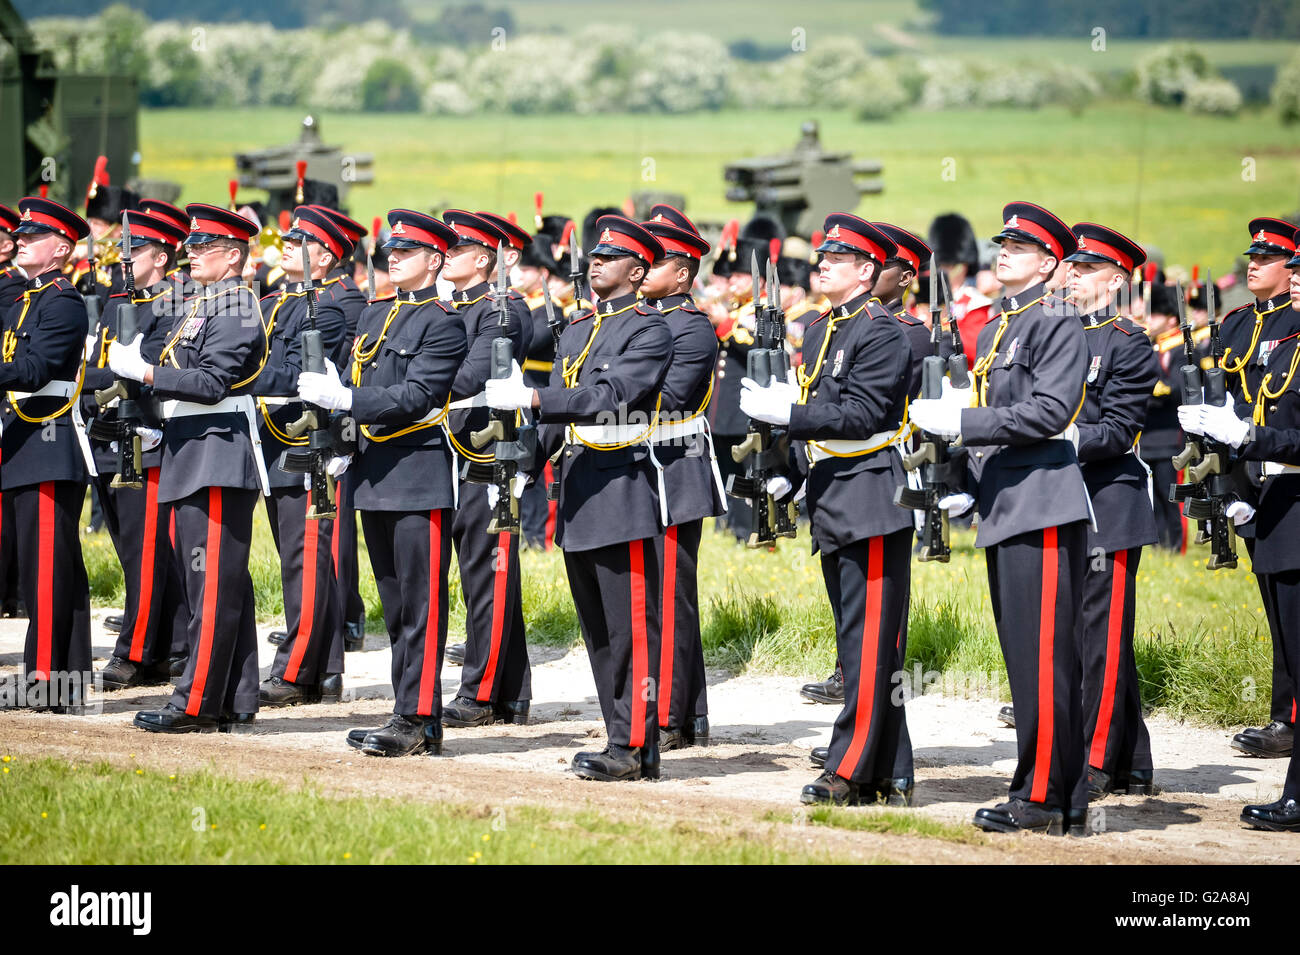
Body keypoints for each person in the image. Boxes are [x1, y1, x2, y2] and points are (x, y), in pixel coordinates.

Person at [911, 201, 1089, 835]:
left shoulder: (1058, 321)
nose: (1003, 252)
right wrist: (957, 470)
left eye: (1020, 247)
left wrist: (963, 421)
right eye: (1001, 244)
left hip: (1041, 501)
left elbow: (1048, 413)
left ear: (1049, 263)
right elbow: (992, 419)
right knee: (1025, 657)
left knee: (1042, 658)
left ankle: (1042, 797)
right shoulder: (993, 329)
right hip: (1004, 503)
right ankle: (1059, 796)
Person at [485, 214, 671, 781]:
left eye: (610, 258)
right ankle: (620, 737)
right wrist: (525, 463)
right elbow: (559, 416)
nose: (595, 262)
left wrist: (539, 400)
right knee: (596, 628)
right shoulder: (576, 331)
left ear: (638, 272)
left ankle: (637, 745)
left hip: (622, 483)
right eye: (595, 254)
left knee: (631, 627)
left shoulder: (649, 330)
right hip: (580, 485)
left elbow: (613, 395)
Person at [741, 214, 914, 806]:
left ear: (867, 271)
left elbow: (863, 416)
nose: (821, 265)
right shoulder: (821, 328)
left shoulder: (881, 330)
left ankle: (850, 769)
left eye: (835, 259)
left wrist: (789, 414)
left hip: (870, 488)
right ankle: (891, 767)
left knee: (868, 642)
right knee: (861, 640)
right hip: (833, 487)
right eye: (821, 257)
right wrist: (788, 467)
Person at [299, 209, 467, 757]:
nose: (393, 259)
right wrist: (341, 439)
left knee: (420, 602)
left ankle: (419, 718)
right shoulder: (375, 315)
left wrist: (347, 401)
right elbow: (353, 382)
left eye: (407, 252)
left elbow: (417, 396)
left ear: (435, 260)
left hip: (418, 470)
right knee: (394, 603)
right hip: (373, 470)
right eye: (390, 252)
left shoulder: (443, 321)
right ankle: (405, 709)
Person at [112, 203, 268, 733]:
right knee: (221, 582)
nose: (191, 254)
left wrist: (146, 372)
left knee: (211, 586)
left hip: (217, 452)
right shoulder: (206, 301)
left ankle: (196, 702)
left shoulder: (237, 306)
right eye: (192, 245)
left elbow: (210, 383)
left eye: (203, 248)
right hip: (192, 447)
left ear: (232, 256)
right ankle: (236, 693)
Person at [1062, 222, 1160, 798]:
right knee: (1089, 635)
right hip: (1064, 500)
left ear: (1117, 280)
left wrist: (1066, 438)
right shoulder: (1056, 333)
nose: (1071, 276)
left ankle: (1096, 761)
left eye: (1085, 269)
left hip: (1108, 502)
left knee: (1100, 637)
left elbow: (1121, 429)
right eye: (1070, 266)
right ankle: (1134, 758)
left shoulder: (1129, 341)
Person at [88, 210, 191, 690]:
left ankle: (134, 650)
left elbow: (155, 370)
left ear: (162, 256)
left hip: (148, 439)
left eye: (135, 252)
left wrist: (103, 379)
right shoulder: (116, 302)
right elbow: (98, 364)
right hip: (109, 434)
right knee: (131, 548)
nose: (124, 259)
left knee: (145, 550)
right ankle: (170, 646)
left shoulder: (178, 303)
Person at [438, 210, 533, 728]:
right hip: (459, 449)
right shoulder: (458, 307)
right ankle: (512, 690)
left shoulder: (501, 309)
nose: (446, 256)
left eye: (457, 249)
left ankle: (482, 692)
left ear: (486, 259)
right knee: (481, 572)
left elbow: (467, 376)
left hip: (486, 454)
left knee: (487, 574)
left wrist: (418, 374)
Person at [0, 197, 95, 710]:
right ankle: (65, 679)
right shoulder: (24, 301)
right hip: (22, 443)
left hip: (48, 442)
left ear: (60, 249)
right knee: (49, 567)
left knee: (48, 568)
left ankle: (46, 679)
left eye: (31, 236)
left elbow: (36, 370)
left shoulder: (62, 301)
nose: (20, 240)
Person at [253, 206, 350, 707]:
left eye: (302, 241)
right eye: (288, 238)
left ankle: (295, 672)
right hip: (271, 440)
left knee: (305, 559)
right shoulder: (273, 302)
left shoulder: (326, 308)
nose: (287, 245)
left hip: (306, 443)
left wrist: (233, 379)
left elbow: (294, 374)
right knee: (298, 556)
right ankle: (324, 669)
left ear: (327, 257)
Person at [641, 204, 725, 750]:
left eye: (656, 260)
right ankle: (690, 714)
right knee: (655, 594)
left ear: (684, 273)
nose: (643, 267)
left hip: (674, 468)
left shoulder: (689, 328)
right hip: (642, 467)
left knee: (670, 596)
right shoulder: (643, 321)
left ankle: (671, 715)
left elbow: (666, 402)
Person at [1220, 218, 1300, 759]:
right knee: (1274, 603)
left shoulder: (1296, 325)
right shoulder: (1235, 324)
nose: (1254, 264)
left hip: (1288, 471)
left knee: (1294, 611)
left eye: (1269, 259)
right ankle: (1284, 715)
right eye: (1253, 256)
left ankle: (1288, 718)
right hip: (1251, 480)